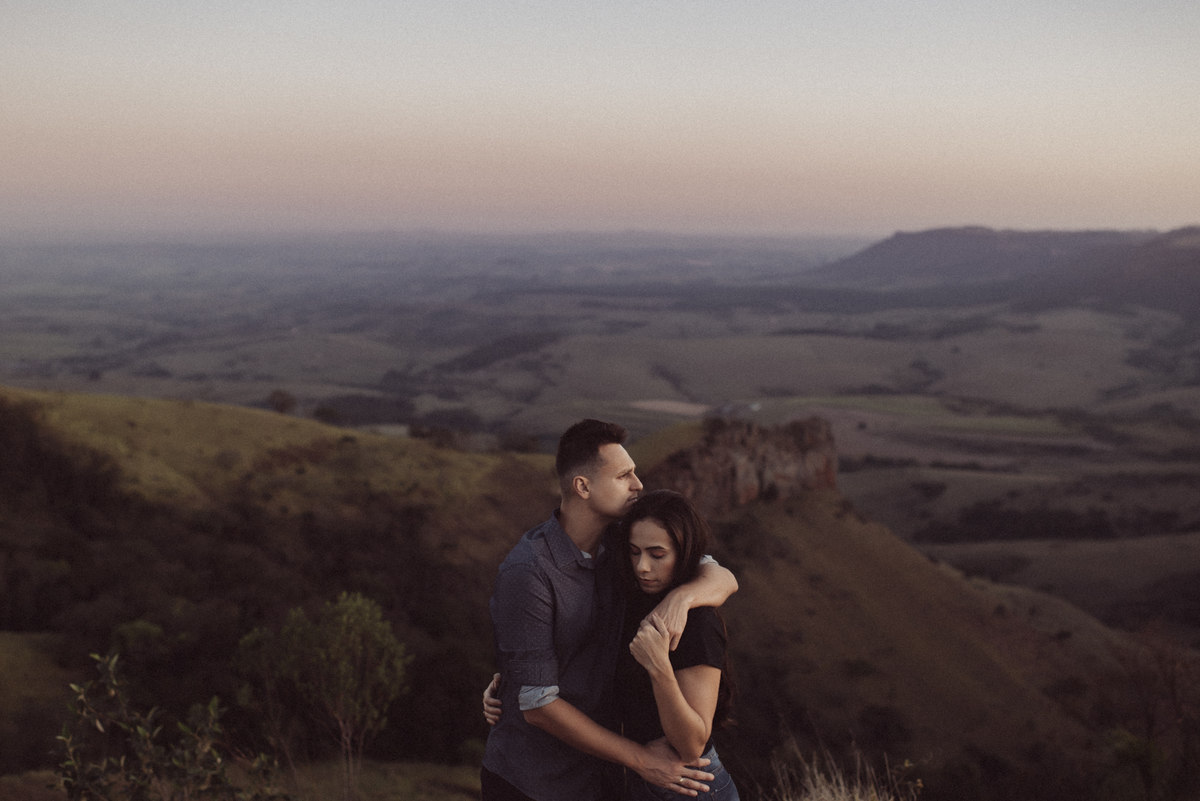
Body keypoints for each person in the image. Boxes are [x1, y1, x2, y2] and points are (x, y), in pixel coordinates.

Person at [482, 419, 738, 801]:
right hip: (532, 780)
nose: (638, 484)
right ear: (582, 486)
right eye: (624, 475)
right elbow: (537, 705)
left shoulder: (624, 546)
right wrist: (641, 760)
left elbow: (719, 574)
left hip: (600, 775)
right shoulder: (529, 572)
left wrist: (678, 600)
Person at [618, 490, 739, 801]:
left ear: (684, 554)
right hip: (646, 778)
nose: (642, 566)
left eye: (657, 555)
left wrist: (658, 667)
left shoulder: (698, 622)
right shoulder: (635, 597)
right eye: (634, 552)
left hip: (690, 787)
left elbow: (692, 744)